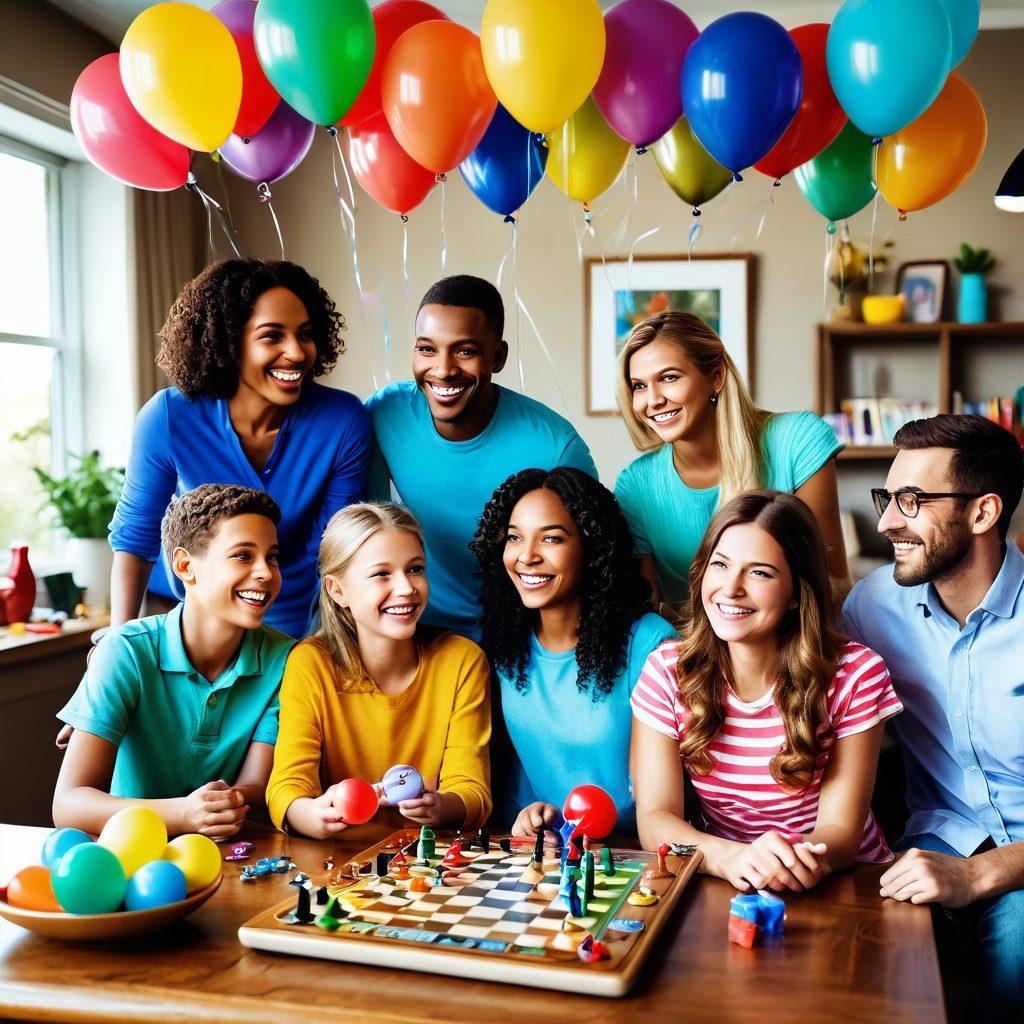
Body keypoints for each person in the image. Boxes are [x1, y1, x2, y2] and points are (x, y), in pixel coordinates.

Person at [841, 415, 1024, 1019]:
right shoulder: (872, 607)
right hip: (928, 845)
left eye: (912, 501)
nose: (887, 521)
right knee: (860, 964)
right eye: (887, 498)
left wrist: (984, 874)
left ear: (983, 512)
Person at [631, 490, 901, 895]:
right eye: (720, 565)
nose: (731, 588)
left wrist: (777, 862)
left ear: (796, 592)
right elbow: (655, 819)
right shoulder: (667, 670)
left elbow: (841, 834)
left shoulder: (855, 674)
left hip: (844, 884)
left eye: (759, 573)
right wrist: (732, 859)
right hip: (726, 875)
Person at [109, 258, 371, 639]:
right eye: (271, 336)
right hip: (197, 626)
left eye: (305, 334)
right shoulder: (168, 418)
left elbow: (334, 550)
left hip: (301, 628)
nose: (296, 353)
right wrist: (117, 642)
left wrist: (322, 649)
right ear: (229, 344)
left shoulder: (343, 421)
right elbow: (136, 537)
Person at [53, 485, 294, 839]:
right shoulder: (126, 651)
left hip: (227, 856)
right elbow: (69, 805)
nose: (265, 572)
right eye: (243, 555)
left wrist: (218, 807)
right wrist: (183, 813)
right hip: (125, 858)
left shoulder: (285, 660)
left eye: (271, 557)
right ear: (185, 566)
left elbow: (256, 788)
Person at [366, 275, 597, 639]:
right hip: (415, 628)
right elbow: (371, 532)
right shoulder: (385, 414)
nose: (442, 370)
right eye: (426, 349)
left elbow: (591, 562)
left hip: (523, 636)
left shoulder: (557, 447)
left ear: (498, 356)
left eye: (465, 351)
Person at [266, 503, 491, 839]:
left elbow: (472, 791)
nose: (405, 588)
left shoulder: (462, 661)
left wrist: (441, 805)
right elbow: (287, 786)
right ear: (337, 590)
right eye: (382, 574)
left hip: (430, 861)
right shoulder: (310, 662)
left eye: (415, 569)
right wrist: (309, 813)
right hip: (338, 861)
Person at [471, 468, 676, 836]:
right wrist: (526, 822)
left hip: (634, 854)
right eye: (514, 538)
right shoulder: (502, 646)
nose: (527, 556)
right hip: (540, 855)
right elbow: (514, 783)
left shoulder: (650, 644)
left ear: (593, 551)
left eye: (551, 539)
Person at [614, 311, 849, 610]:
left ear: (716, 376)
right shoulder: (635, 486)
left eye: (669, 377)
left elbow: (831, 583)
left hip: (794, 644)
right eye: (639, 386)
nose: (653, 400)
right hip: (688, 650)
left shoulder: (798, 440)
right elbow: (646, 609)